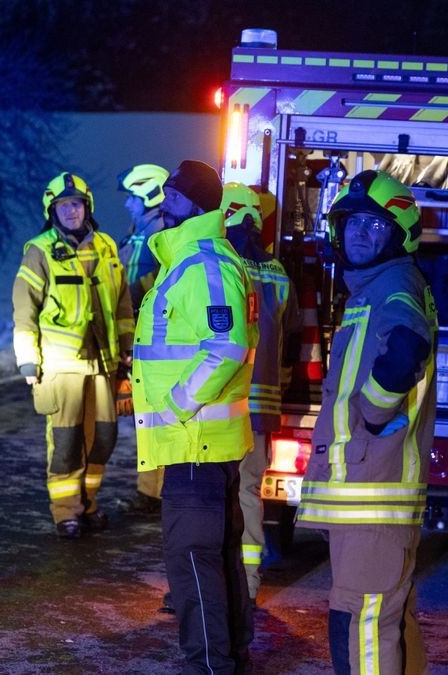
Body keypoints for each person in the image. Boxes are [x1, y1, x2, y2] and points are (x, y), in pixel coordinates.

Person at [296, 170, 436, 675]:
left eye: (374, 227)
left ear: (398, 235)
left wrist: (372, 415)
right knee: (392, 617)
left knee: (363, 619)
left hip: (372, 492)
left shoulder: (393, 287)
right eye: (352, 223)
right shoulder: (377, 287)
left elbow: (406, 348)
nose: (359, 234)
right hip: (370, 491)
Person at [132, 159, 258, 672]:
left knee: (193, 557)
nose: (165, 204)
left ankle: (208, 663)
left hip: (195, 441)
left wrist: (177, 405)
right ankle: (229, 654)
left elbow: (226, 345)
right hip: (201, 441)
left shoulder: (204, 263)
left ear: (196, 205)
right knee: (217, 553)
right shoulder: (194, 258)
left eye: (175, 197)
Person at [12, 172, 133, 539]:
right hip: (60, 367)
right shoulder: (39, 250)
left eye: (76, 204)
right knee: (66, 443)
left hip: (104, 364)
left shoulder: (107, 247)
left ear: (87, 207)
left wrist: (127, 349)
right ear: (52, 211)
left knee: (104, 438)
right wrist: (28, 361)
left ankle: (88, 502)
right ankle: (66, 510)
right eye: (63, 205)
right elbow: (24, 310)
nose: (71, 211)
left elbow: (123, 302)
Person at [221, 182, 298, 602]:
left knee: (212, 496)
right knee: (249, 495)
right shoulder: (278, 273)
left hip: (220, 404)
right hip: (262, 408)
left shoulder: (219, 266)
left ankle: (213, 584)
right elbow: (289, 339)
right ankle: (247, 586)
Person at [115, 163, 170, 515]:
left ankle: (156, 493)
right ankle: (149, 490)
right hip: (137, 335)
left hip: (153, 339)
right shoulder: (140, 230)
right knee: (147, 420)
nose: (126, 205)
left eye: (132, 198)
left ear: (149, 195)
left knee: (158, 418)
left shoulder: (162, 232)